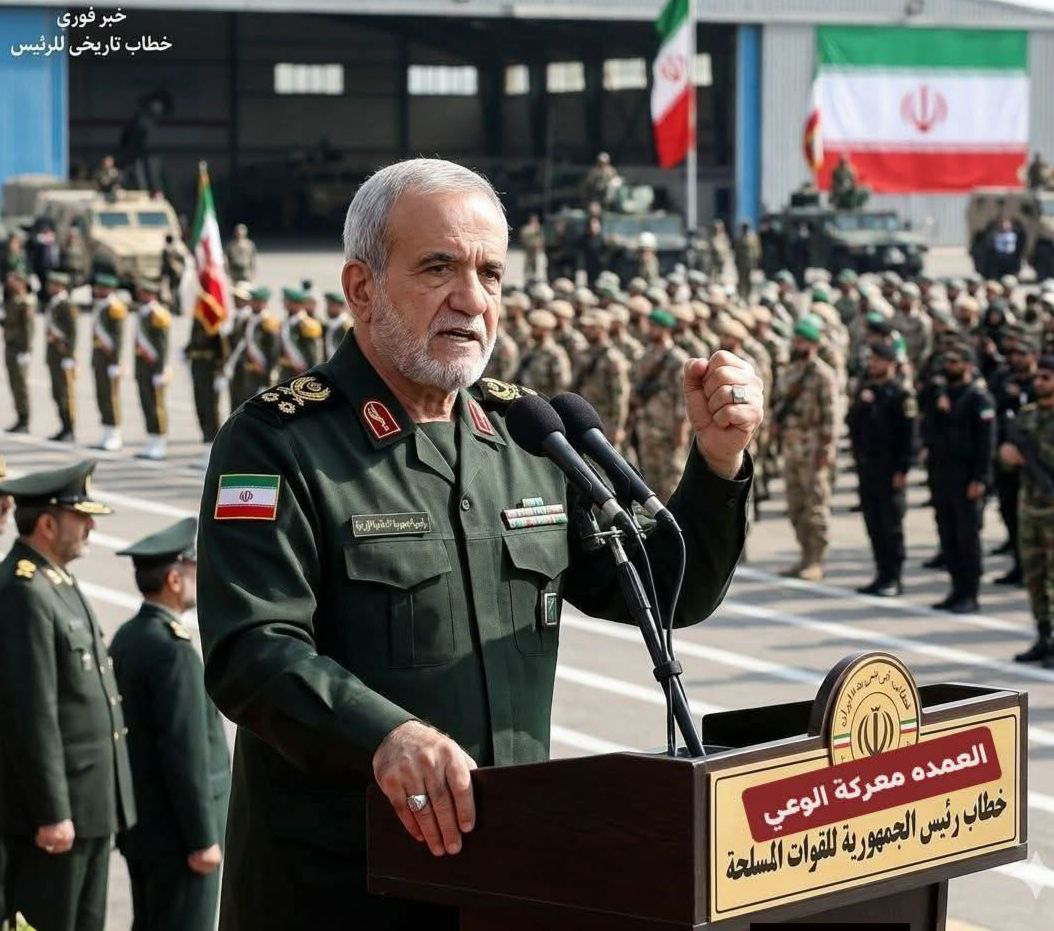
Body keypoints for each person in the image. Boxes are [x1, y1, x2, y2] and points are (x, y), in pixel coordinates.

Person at [195, 158, 760, 929]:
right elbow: (252, 650)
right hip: (344, 891)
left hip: (506, 879)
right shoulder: (278, 442)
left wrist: (719, 461)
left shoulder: (529, 436)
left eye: (490, 273)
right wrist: (385, 735)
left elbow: (666, 591)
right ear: (361, 288)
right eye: (439, 268)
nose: (472, 299)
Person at [0, 461, 136, 931]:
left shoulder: (55, 580)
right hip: (57, 817)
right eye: (81, 517)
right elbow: (31, 714)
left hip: (89, 809)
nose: (91, 527)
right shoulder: (24, 591)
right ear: (47, 524)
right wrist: (53, 811)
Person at [110, 518, 231, 931]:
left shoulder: (129, 635)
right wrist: (202, 838)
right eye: (194, 570)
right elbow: (185, 753)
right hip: (180, 838)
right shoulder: (173, 651)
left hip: (144, 828)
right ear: (174, 580)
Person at [920, 341, 997, 613]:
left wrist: (981, 478)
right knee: (948, 534)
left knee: (967, 537)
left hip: (967, 476)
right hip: (942, 473)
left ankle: (970, 594)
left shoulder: (978, 398)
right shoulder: (942, 395)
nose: (948, 367)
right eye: (946, 362)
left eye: (954, 362)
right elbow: (927, 426)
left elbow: (986, 443)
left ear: (968, 365)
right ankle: (956, 589)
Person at [847, 342, 917, 596]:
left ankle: (894, 578)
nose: (873, 364)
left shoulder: (901, 394)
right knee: (873, 523)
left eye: (879, 360)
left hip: (890, 469)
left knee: (890, 526)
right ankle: (881, 574)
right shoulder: (867, 390)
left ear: (891, 364)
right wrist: (862, 403)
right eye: (872, 360)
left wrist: (903, 469)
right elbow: (852, 424)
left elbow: (909, 435)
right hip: (869, 467)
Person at [774, 316, 838, 580]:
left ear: (813, 344)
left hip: (812, 447)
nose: (797, 345)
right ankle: (804, 555)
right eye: (796, 340)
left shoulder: (822, 374)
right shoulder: (790, 372)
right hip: (792, 447)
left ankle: (816, 559)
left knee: (815, 505)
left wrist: (826, 449)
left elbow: (831, 416)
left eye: (802, 341)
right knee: (796, 504)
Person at [1004, 355, 1054, 666]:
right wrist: (1008, 456)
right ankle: (1043, 636)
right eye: (1038, 377)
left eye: (1047, 378)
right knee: (1035, 577)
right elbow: (1006, 462)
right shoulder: (1026, 416)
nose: (1039, 382)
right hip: (1030, 507)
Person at [631, 308, 692, 501]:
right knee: (651, 482)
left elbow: (683, 396)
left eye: (654, 326)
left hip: (669, 427)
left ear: (666, 329)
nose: (650, 330)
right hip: (647, 427)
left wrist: (681, 428)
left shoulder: (678, 359)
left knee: (673, 480)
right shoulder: (644, 356)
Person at [184, 287, 230, 469]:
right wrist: (186, 351)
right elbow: (195, 340)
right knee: (201, 406)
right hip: (198, 369)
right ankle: (206, 446)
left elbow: (221, 348)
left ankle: (213, 450)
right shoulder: (199, 315)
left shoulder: (211, 313)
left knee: (211, 409)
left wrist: (220, 371)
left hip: (210, 370)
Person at [132, 279, 172, 461]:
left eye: (146, 293)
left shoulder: (158, 314)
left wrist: (160, 370)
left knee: (157, 404)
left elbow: (162, 345)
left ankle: (160, 441)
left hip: (154, 366)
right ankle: (151, 439)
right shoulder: (143, 312)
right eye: (142, 292)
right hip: (143, 367)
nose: (143, 295)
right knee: (147, 403)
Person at [89, 272, 128, 451]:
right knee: (102, 395)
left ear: (110, 289)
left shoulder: (115, 308)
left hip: (110, 359)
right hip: (100, 358)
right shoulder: (101, 306)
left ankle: (115, 433)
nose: (98, 290)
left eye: (102, 288)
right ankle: (106, 430)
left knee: (111, 397)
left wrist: (115, 362)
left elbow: (118, 338)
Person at [226, 286, 279, 409]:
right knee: (239, 406)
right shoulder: (246, 320)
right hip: (245, 371)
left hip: (260, 372)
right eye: (253, 301)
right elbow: (239, 344)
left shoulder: (269, 323)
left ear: (264, 303)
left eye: (258, 301)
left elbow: (273, 351)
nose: (254, 304)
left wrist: (267, 379)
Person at [41, 271, 78, 442]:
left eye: (54, 284)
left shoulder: (66, 305)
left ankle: (69, 428)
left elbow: (73, 333)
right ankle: (64, 426)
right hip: (54, 355)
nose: (50, 287)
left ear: (61, 286)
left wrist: (69, 356)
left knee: (65, 393)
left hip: (63, 354)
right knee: (57, 392)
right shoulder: (55, 303)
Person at [2, 269, 36, 434]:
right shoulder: (10, 301)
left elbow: (29, 329)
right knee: (13, 383)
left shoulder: (25, 303)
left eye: (13, 281)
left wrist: (26, 351)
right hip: (10, 347)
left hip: (20, 349)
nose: (9, 284)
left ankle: (25, 419)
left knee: (20, 385)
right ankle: (20, 416)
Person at [515, 308, 572, 397]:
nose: (531, 330)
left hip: (544, 400)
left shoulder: (555, 353)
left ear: (545, 330)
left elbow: (562, 383)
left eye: (535, 327)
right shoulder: (530, 348)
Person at [733, 221, 760, 302]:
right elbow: (736, 251)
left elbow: (757, 251)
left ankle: (748, 296)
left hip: (749, 263)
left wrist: (756, 262)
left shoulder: (753, 237)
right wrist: (736, 261)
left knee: (749, 280)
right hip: (741, 262)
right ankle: (741, 296)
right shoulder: (739, 238)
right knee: (741, 279)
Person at [323, 291, 354, 359]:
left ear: (340, 306)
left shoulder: (347, 325)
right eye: (328, 305)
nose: (328, 309)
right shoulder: (332, 324)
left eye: (331, 306)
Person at [518, 213, 545, 281]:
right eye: (534, 220)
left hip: (535, 248)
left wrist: (541, 245)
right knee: (528, 263)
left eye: (536, 220)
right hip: (529, 248)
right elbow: (523, 237)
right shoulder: (527, 228)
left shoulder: (538, 228)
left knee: (535, 263)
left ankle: (533, 276)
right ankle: (527, 277)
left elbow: (541, 238)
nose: (535, 221)